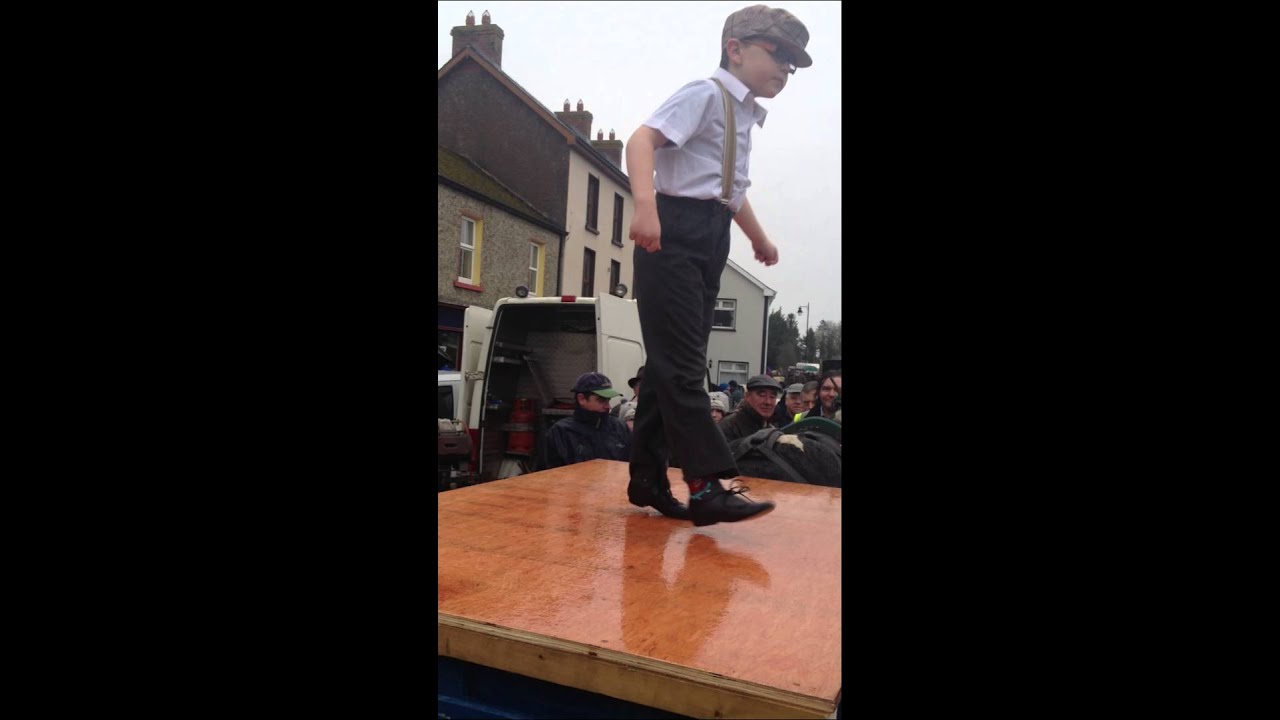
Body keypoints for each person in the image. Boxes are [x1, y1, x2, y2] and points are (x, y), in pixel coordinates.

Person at [625, 4, 810, 527]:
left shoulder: (744, 115)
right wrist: (645, 205)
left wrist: (759, 238)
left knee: (668, 369)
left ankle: (646, 478)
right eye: (780, 55)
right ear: (736, 49)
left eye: (793, 64)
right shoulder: (705, 93)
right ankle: (706, 486)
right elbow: (641, 140)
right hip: (674, 231)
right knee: (685, 368)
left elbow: (730, 190)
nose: (786, 70)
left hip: (710, 235)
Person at [546, 372, 632, 468]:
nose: (608, 406)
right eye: (601, 400)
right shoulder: (561, 432)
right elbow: (547, 475)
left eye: (608, 400)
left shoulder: (620, 427)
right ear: (581, 399)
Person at [718, 375, 783, 441]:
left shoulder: (770, 429)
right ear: (747, 396)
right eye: (762, 395)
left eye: (772, 396)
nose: (768, 402)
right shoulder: (729, 426)